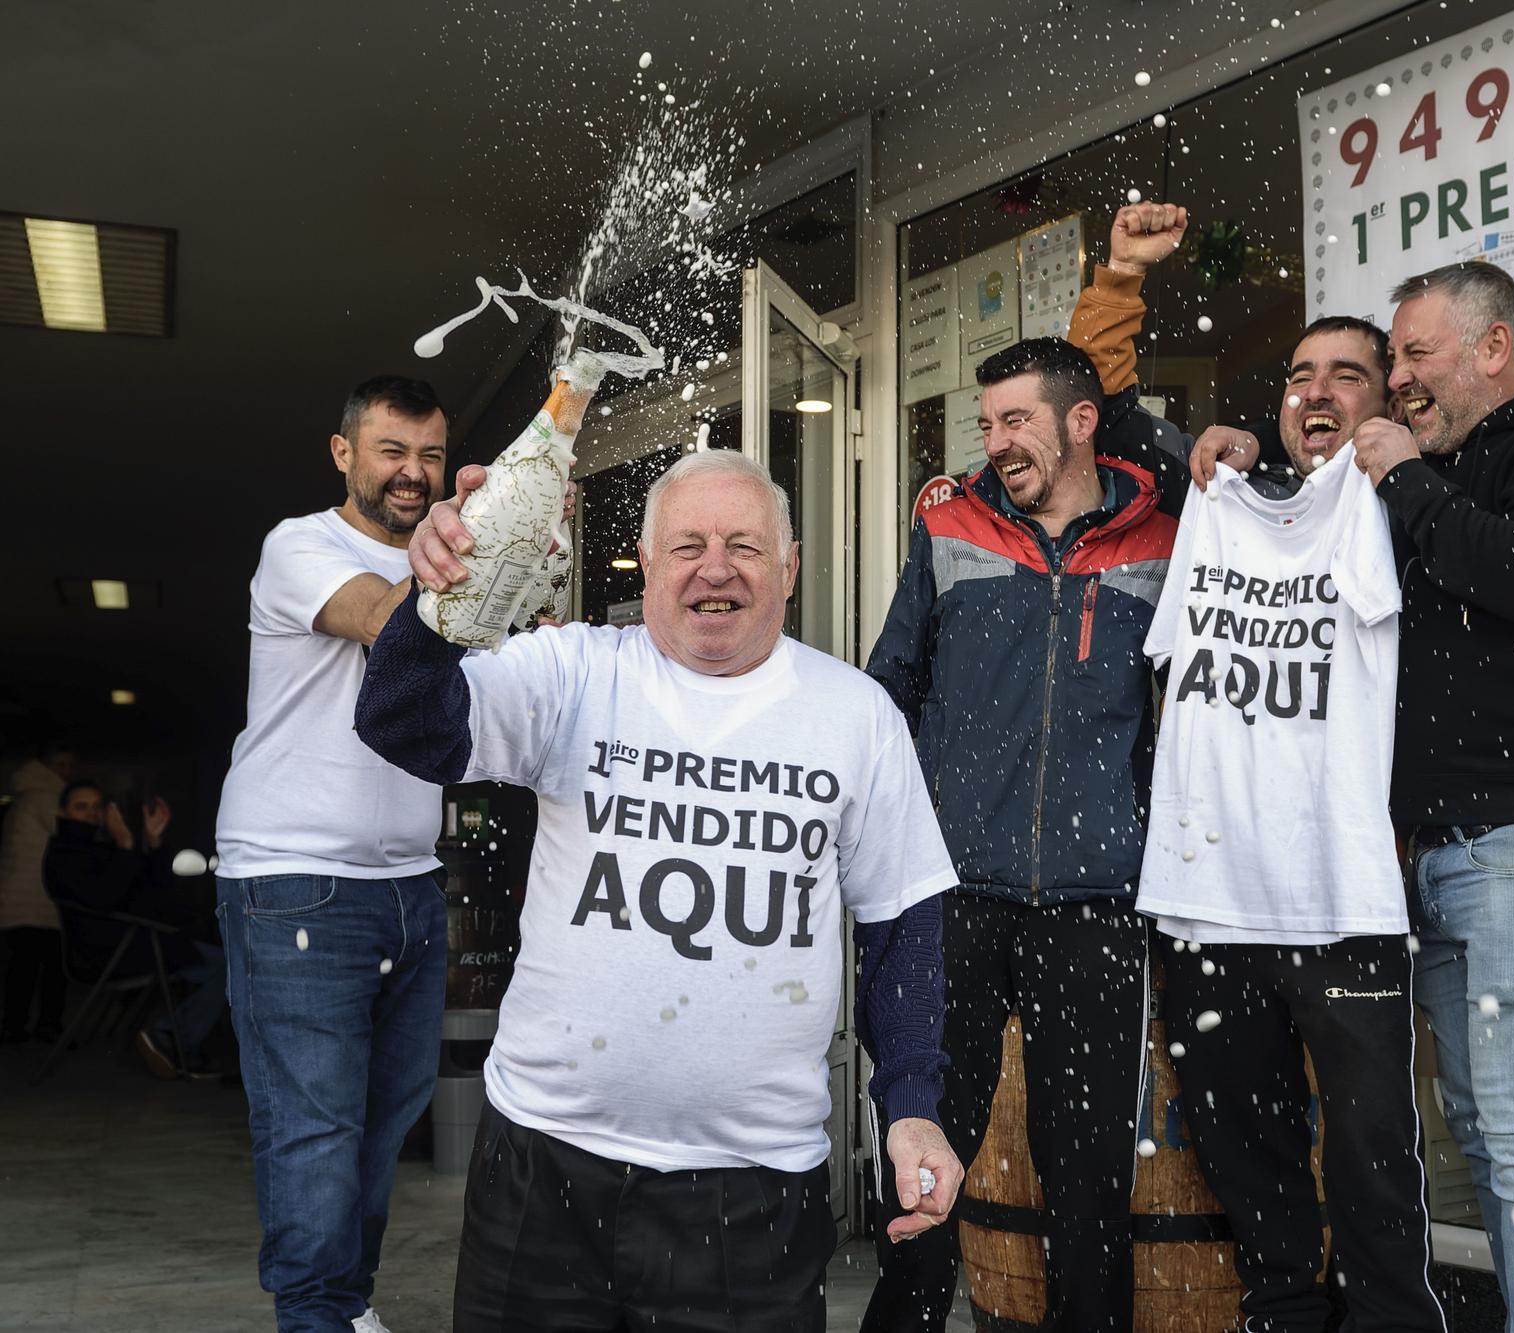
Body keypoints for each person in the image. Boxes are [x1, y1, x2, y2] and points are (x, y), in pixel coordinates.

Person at [1082, 213, 1514, 1333]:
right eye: (1370, 367)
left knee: (1503, 1131)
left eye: (1396, 361)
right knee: (1483, 1131)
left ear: (1486, 350)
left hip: (1474, 851)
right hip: (1395, 861)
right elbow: (1134, 421)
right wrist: (1137, 307)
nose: (1387, 385)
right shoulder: (1287, 486)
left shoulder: (1495, 461)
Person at [360, 448, 964, 1331]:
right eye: (686, 545)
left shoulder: (856, 715)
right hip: (541, 1166)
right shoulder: (572, 672)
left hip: (752, 1194)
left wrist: (910, 1107)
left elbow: (901, 923)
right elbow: (401, 720)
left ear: (790, 567)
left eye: (744, 546)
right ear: (645, 566)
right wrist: (444, 600)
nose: (714, 568)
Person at [862, 335, 1180, 1333]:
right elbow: (886, 696)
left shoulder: (1166, 541)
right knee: (923, 1161)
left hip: (1096, 902)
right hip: (951, 896)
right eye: (985, 422)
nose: (994, 441)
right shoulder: (948, 527)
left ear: (1080, 422)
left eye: (1015, 421)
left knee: (1084, 1174)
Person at [212, 374, 451, 1333]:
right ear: (344, 451)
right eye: (392, 450)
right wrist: (486, 543)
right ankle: (314, 1317)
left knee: (383, 1125)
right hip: (294, 881)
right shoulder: (299, 545)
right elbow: (388, 623)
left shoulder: (439, 558)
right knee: (316, 1131)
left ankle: (345, 1308)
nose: (413, 473)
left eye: (430, 455)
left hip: (411, 886)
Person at [41, 780, 229, 1078]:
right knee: (224, 967)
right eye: (81, 807)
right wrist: (127, 847)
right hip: (108, 952)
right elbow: (104, 899)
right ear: (62, 812)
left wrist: (154, 843)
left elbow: (155, 898)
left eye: (97, 807)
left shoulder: (103, 847)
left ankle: (173, 1039)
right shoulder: (64, 854)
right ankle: (168, 1037)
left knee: (221, 960)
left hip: (138, 942)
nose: (91, 813)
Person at [0, 739, 73, 1043]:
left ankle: (16, 1026)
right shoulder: (46, 798)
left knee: (25, 967)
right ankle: (44, 1025)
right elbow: (68, 834)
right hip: (36, 900)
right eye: (62, 765)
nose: (67, 771)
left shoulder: (26, 796)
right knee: (50, 966)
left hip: (21, 900)